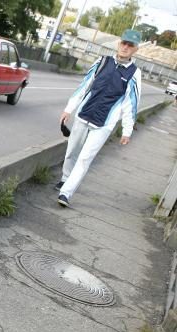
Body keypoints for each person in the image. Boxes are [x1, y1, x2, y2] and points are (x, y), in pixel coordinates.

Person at [56, 29, 142, 207]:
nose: (125, 47)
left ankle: (66, 193)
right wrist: (69, 109)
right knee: (72, 151)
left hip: (104, 124)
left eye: (130, 45)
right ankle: (65, 178)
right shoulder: (102, 61)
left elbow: (131, 104)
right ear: (119, 43)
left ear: (135, 50)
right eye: (124, 43)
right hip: (83, 114)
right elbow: (85, 86)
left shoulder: (134, 73)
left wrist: (127, 131)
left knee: (85, 158)